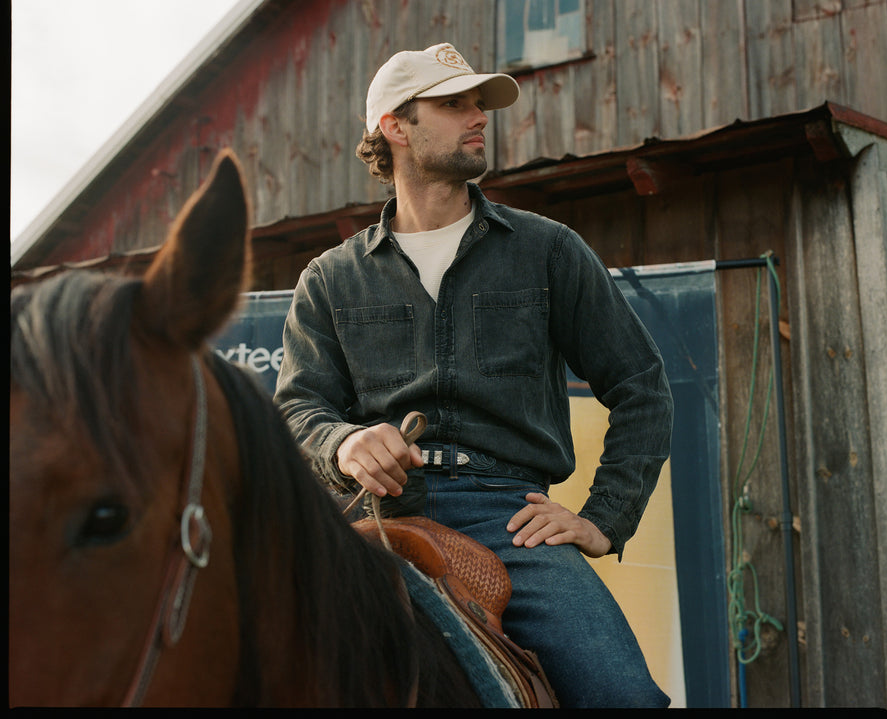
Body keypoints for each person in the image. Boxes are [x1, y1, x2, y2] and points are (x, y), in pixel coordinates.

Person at [274, 43, 673, 708]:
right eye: (454, 103)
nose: (478, 116)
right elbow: (296, 409)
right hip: (368, 516)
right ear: (395, 127)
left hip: (509, 518)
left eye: (479, 103)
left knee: (624, 697)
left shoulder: (548, 250)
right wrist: (343, 443)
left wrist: (604, 518)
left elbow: (641, 386)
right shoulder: (329, 278)